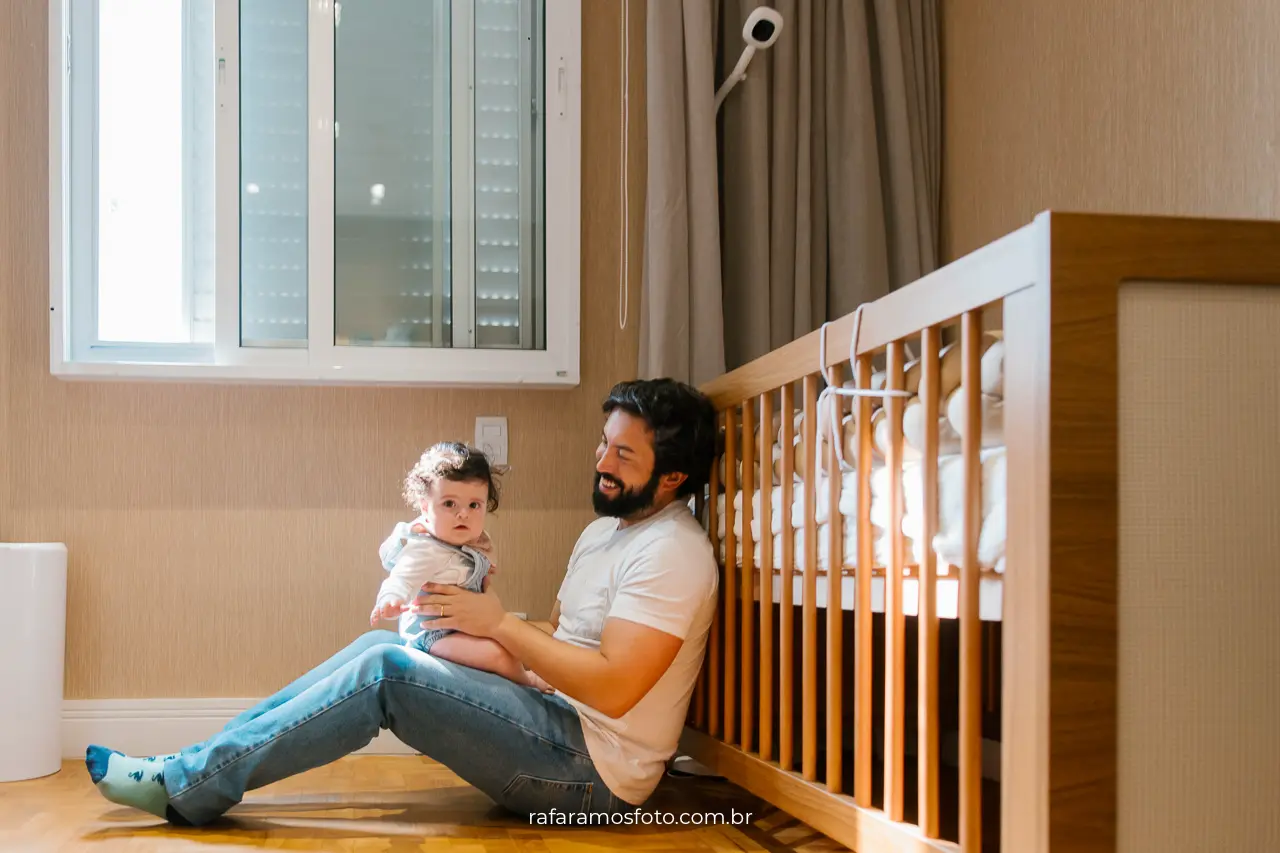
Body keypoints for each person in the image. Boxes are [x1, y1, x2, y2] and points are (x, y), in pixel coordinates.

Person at [84, 378, 721, 827]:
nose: (602, 461)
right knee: (383, 644)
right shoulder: (604, 532)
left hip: (591, 776)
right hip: (551, 718)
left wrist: (497, 623)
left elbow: (612, 690)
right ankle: (197, 761)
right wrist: (484, 631)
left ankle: (185, 788)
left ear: (672, 476)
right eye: (604, 443)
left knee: (388, 673)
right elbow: (560, 638)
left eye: (623, 453)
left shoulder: (673, 554)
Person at [370, 441, 551, 692]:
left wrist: (487, 567)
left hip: (462, 626)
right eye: (449, 504)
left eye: (474, 505)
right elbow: (401, 577)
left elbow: (483, 551)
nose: (463, 514)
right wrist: (390, 599)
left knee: (512, 644)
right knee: (499, 655)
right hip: (433, 637)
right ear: (425, 507)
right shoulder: (426, 548)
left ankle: (514, 679)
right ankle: (528, 681)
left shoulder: (472, 539)